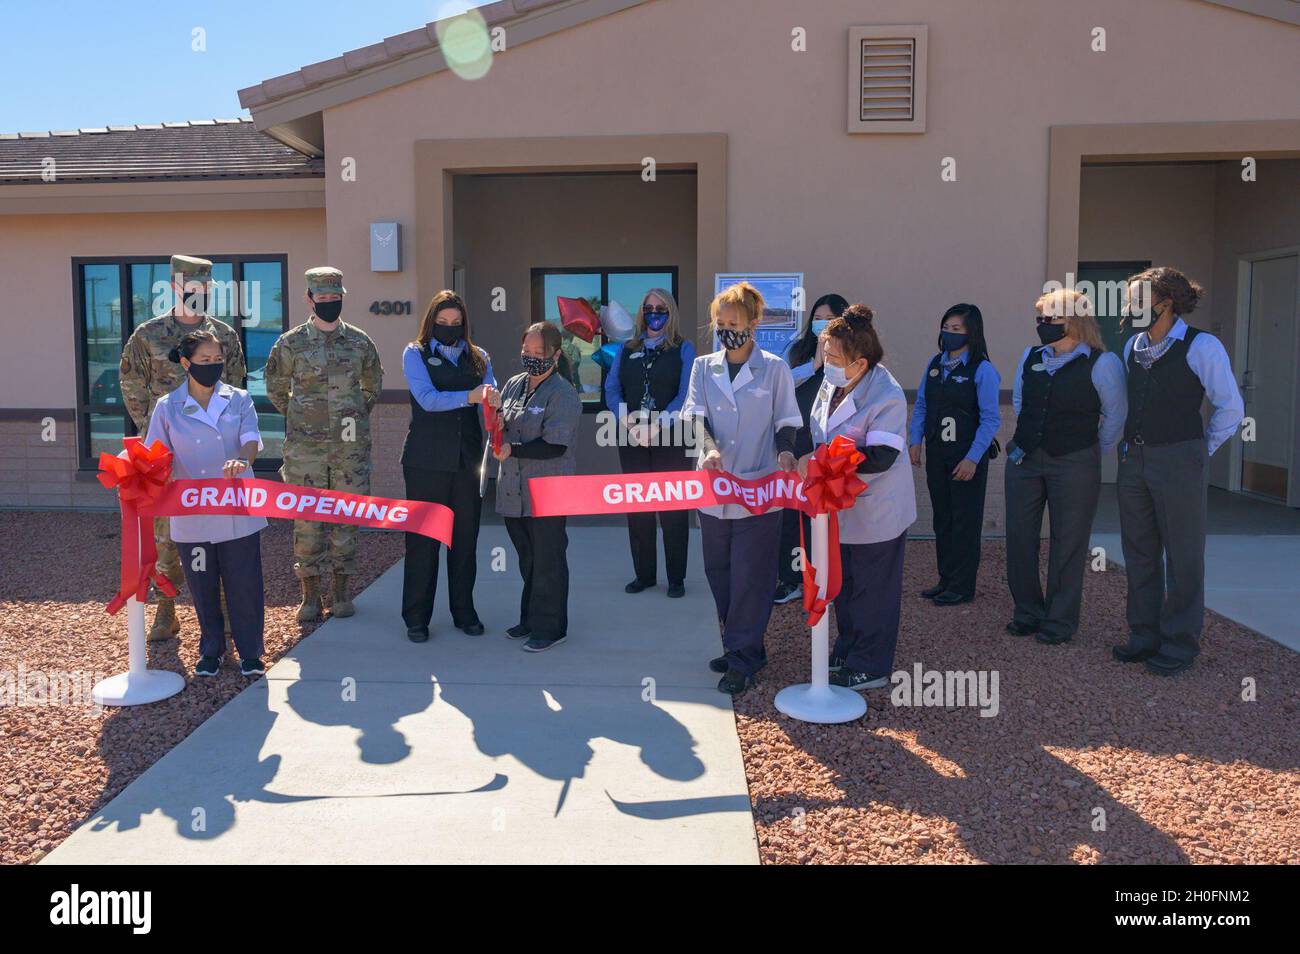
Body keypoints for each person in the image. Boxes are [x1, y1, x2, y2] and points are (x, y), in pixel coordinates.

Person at [1113, 267, 1244, 676]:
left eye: (1136, 298)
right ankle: (1144, 635)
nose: (1127, 307)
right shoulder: (1131, 346)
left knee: (1184, 555)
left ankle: (1180, 642)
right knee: (1139, 551)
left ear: (1165, 302)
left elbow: (1231, 407)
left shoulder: (1201, 345)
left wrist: (1199, 450)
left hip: (1179, 460)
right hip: (1135, 461)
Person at [119, 254, 246, 642]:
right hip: (167, 456)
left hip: (212, 452)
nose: (199, 295)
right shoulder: (148, 334)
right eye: (192, 289)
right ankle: (167, 611)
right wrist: (152, 433)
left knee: (219, 522)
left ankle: (221, 606)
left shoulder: (223, 335)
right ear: (175, 288)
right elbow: (131, 383)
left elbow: (237, 388)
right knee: (165, 531)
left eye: (205, 289)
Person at [683, 281, 801, 695]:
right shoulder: (702, 366)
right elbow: (695, 417)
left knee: (751, 574)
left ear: (753, 324)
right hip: (714, 488)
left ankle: (743, 656)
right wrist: (709, 449)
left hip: (758, 486)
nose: (726, 329)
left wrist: (786, 453)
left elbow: (787, 421)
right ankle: (741, 642)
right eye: (720, 322)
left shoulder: (775, 368)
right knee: (719, 572)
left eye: (734, 322)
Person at [800, 305, 916, 690]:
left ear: (860, 361)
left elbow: (881, 456)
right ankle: (848, 649)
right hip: (838, 509)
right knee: (844, 585)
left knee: (873, 590)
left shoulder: (886, 392)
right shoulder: (833, 383)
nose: (826, 362)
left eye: (833, 357)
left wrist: (822, 461)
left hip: (876, 509)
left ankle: (872, 664)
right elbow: (819, 430)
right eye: (825, 354)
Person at [1005, 288, 1126, 645]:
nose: (1043, 325)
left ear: (1075, 320)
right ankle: (1027, 613)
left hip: (1074, 463)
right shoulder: (1031, 356)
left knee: (1068, 542)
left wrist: (1086, 452)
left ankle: (1059, 621)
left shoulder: (1103, 363)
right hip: (1025, 459)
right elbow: (1021, 401)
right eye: (1040, 319)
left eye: (1051, 319)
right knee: (1020, 539)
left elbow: (1115, 417)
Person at [144, 330, 266, 677]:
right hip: (193, 514)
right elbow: (157, 454)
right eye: (204, 360)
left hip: (237, 509)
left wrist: (243, 461)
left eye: (218, 361)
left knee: (244, 582)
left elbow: (251, 439)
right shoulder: (168, 406)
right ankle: (211, 649)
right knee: (203, 584)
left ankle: (251, 652)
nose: (213, 367)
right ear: (186, 363)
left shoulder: (239, 398)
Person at [265, 267, 383, 622]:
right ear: (309, 298)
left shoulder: (360, 342)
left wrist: (350, 416)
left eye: (335, 297)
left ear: (341, 298)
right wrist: (304, 418)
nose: (329, 303)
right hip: (306, 451)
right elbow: (275, 387)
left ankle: (342, 591)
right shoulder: (290, 343)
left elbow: (372, 386)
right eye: (323, 297)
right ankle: (310, 594)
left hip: (349, 450)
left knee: (347, 518)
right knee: (308, 521)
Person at [400, 290, 499, 643]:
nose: (449, 328)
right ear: (431, 322)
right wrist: (469, 397)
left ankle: (464, 611)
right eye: (442, 323)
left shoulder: (479, 357)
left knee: (464, 541)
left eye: (456, 323)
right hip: (425, 461)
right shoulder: (416, 354)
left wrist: (493, 404)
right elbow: (426, 399)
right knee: (423, 541)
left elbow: (491, 395)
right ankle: (416, 617)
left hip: (467, 461)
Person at [493, 321, 582, 652]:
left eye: (538, 352)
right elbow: (504, 423)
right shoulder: (515, 384)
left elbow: (555, 445)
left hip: (548, 492)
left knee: (549, 559)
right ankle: (530, 618)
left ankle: (551, 627)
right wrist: (496, 421)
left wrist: (513, 449)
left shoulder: (564, 394)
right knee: (528, 558)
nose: (531, 358)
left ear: (555, 355)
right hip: (515, 492)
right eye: (526, 351)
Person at [603, 288, 696, 598]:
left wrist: (657, 426)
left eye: (661, 308)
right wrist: (627, 420)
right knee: (638, 509)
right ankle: (644, 575)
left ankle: (676, 578)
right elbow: (612, 390)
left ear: (671, 313)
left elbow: (686, 395)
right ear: (641, 312)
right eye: (649, 308)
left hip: (673, 438)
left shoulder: (684, 348)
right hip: (631, 437)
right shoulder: (626, 349)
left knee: (672, 509)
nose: (654, 313)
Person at [908, 304, 1001, 606]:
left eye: (956, 329)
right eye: (946, 327)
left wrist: (973, 457)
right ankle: (945, 578)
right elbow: (922, 404)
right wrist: (916, 440)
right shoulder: (936, 364)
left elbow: (990, 419)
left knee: (965, 521)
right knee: (943, 519)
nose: (948, 333)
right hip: (938, 454)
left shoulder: (982, 369)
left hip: (966, 458)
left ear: (972, 333)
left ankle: (962, 586)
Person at [775, 293, 849, 605]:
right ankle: (792, 578)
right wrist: (814, 364)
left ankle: (825, 579)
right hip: (798, 442)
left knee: (825, 514)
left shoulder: (848, 354)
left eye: (828, 318)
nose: (821, 323)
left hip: (830, 447)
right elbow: (781, 385)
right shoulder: (798, 349)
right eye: (817, 317)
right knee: (793, 515)